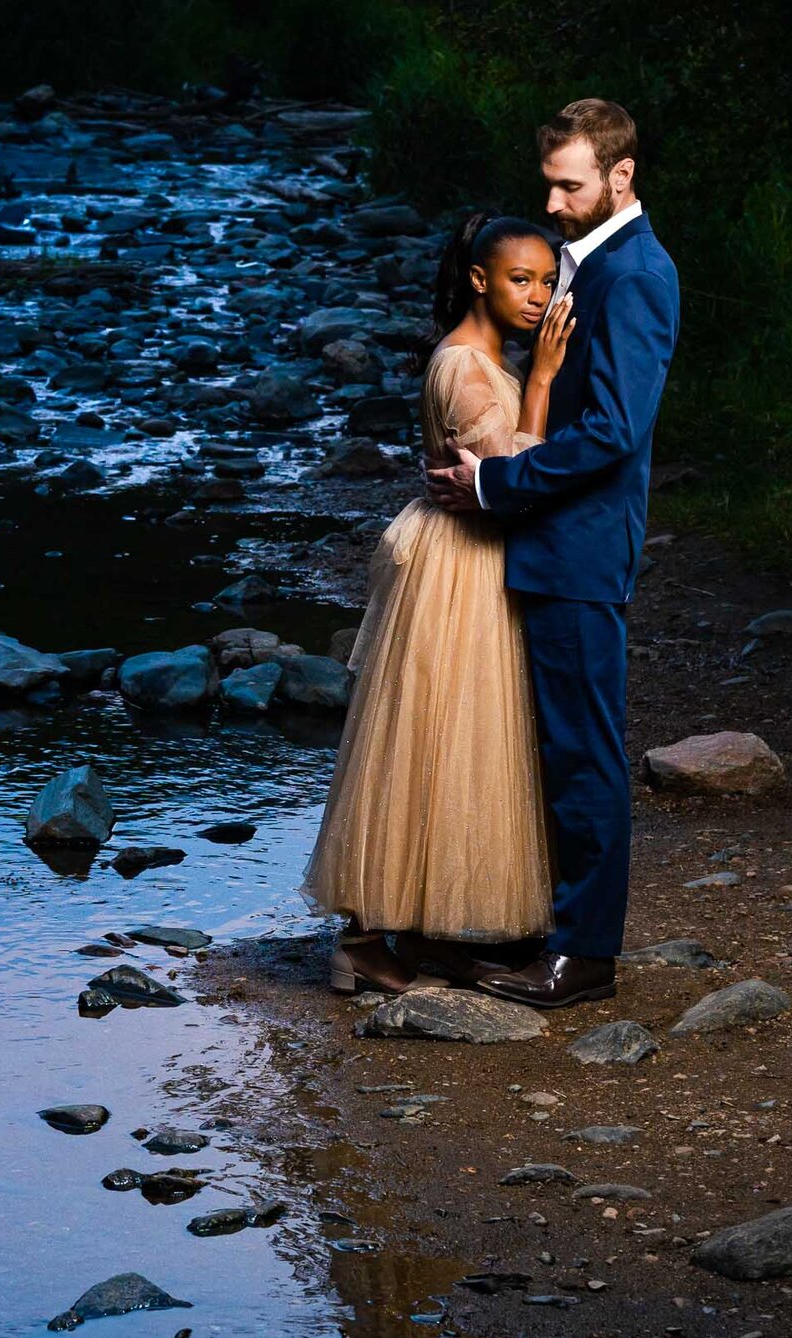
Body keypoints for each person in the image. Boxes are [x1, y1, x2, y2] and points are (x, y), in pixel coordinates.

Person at [424, 98, 680, 1009]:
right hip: (550, 542)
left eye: (571, 185)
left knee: (585, 754)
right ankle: (555, 931)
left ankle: (584, 958)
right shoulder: (584, 263)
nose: (556, 199)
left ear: (621, 177)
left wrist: (495, 488)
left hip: (579, 546)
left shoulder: (638, 275)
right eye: (549, 184)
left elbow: (614, 430)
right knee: (557, 749)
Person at [304, 213, 576, 993]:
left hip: (471, 555)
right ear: (481, 280)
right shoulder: (462, 366)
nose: (538, 297)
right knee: (424, 735)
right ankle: (361, 942)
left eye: (548, 280)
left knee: (465, 739)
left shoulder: (485, 357)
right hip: (457, 563)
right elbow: (514, 476)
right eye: (521, 279)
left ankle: (429, 929)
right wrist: (549, 381)